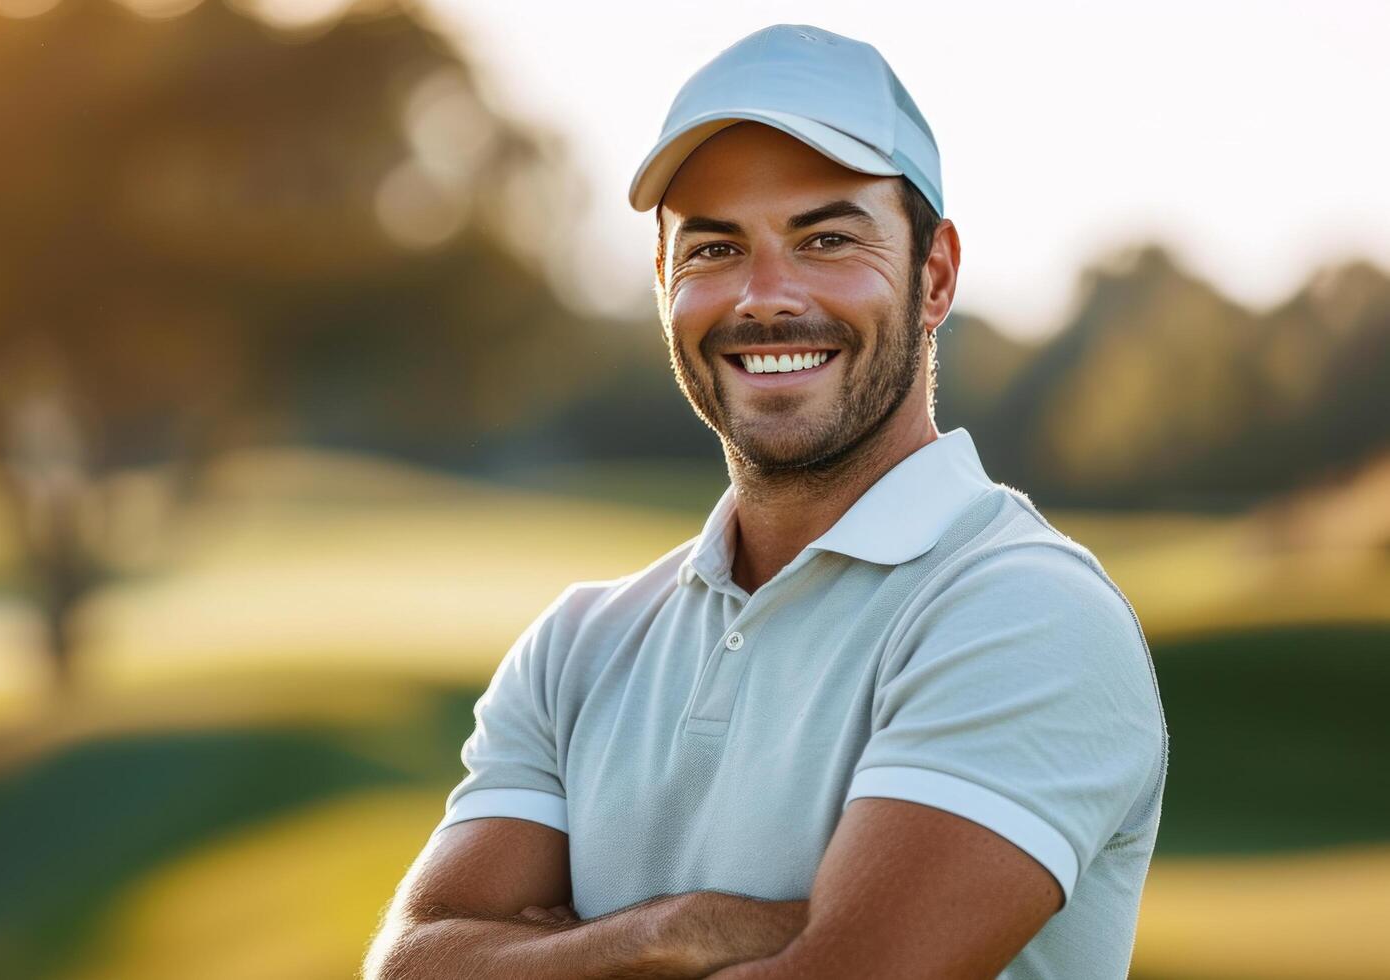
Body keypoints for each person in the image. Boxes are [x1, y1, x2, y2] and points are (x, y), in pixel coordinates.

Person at [364, 23, 1167, 980]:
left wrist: (548, 956)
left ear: (934, 274)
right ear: (664, 281)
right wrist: (674, 933)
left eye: (826, 238)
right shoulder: (575, 646)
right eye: (712, 248)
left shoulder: (1023, 613)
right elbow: (410, 966)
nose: (765, 297)